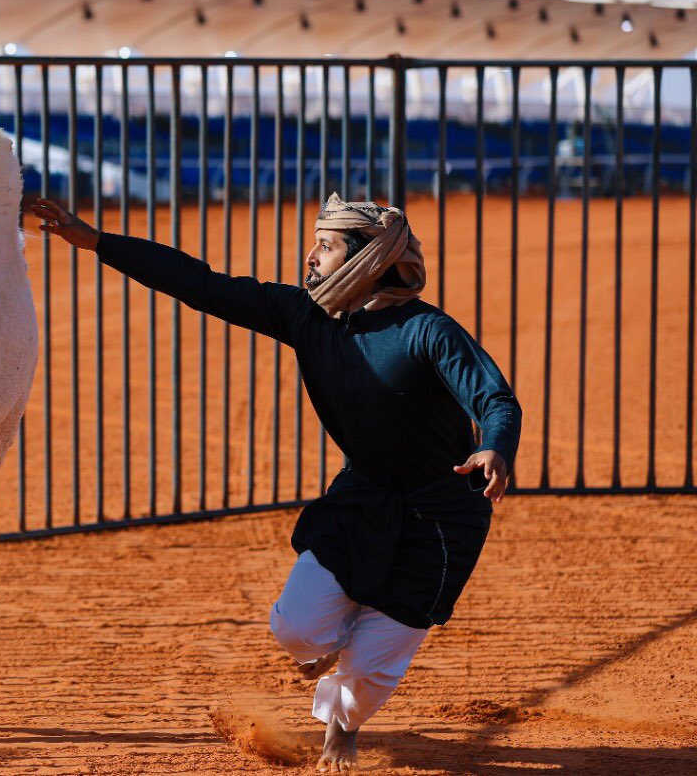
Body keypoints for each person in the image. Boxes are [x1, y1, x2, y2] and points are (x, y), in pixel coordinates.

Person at [28, 192, 521, 772]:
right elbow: (202, 283)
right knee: (295, 628)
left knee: (367, 669)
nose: (310, 256)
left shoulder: (427, 330)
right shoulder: (305, 317)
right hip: (365, 495)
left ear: (366, 260)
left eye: (327, 246)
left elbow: (494, 396)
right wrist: (97, 242)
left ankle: (341, 725)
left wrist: (495, 444)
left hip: (441, 515)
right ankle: (337, 653)